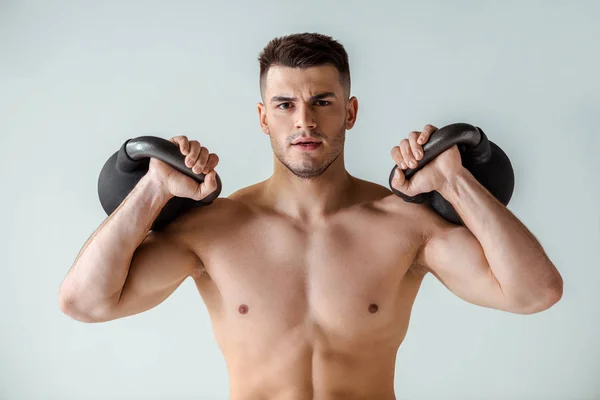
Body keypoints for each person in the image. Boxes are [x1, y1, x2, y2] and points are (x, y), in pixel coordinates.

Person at [59, 33, 563, 399]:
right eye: (284, 104)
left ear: (351, 111)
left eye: (323, 101)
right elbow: (85, 303)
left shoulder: (406, 226)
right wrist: (152, 189)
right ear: (262, 117)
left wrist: (455, 180)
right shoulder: (212, 232)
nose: (304, 120)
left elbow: (535, 292)